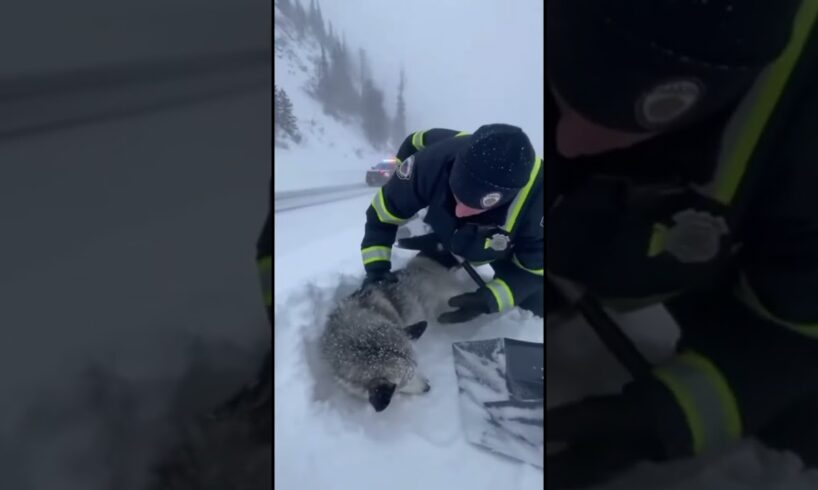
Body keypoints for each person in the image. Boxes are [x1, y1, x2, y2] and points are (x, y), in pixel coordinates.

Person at [546, 0, 818, 487]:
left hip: (726, 261)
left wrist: (669, 416)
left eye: (634, 114)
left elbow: (803, 329)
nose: (570, 141)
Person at [359, 123, 544, 322]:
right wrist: (376, 269)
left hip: (507, 246)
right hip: (446, 231)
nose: (459, 211)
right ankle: (442, 251)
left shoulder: (539, 208)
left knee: (538, 304)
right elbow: (380, 217)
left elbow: (532, 273)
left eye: (474, 206)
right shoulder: (428, 164)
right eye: (457, 195)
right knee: (439, 247)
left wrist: (489, 300)